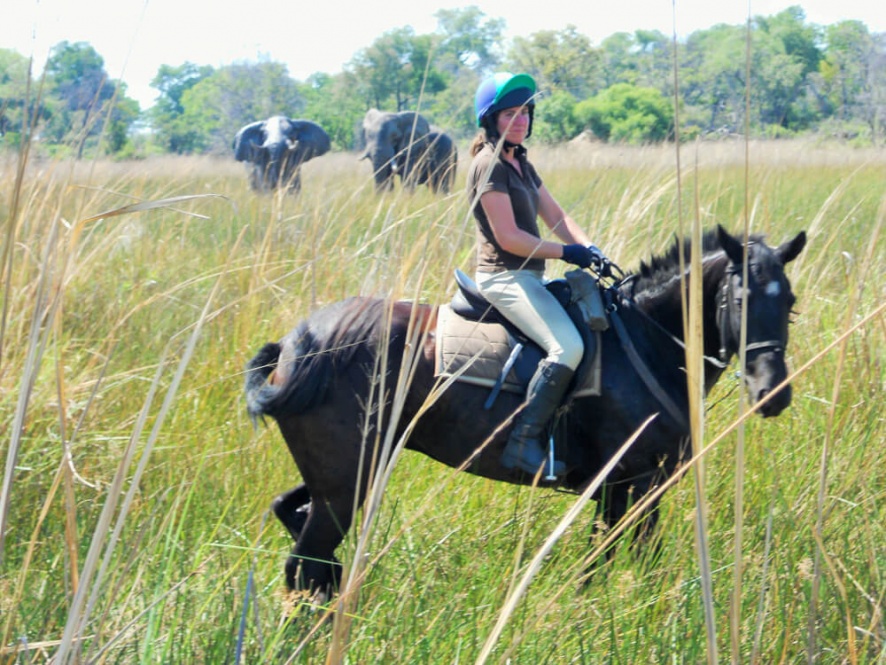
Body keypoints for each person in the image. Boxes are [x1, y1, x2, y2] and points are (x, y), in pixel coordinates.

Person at [466, 72, 609, 477]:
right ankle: (523, 444)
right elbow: (509, 238)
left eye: (525, 111)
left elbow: (557, 216)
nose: (520, 120)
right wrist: (568, 253)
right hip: (503, 277)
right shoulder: (488, 165)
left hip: (530, 277)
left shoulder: (521, 162)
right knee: (567, 347)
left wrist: (591, 249)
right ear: (491, 121)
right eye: (509, 113)